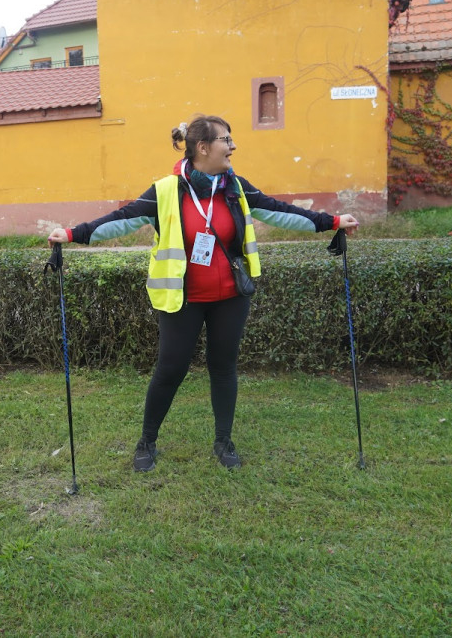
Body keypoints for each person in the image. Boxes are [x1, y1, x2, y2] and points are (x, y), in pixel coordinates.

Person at [48, 114, 359, 472]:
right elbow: (123, 218)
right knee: (170, 369)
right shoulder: (166, 189)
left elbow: (279, 211)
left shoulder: (236, 186)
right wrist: (72, 234)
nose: (233, 146)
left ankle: (224, 441)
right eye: (226, 139)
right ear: (202, 148)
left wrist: (333, 221)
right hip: (183, 300)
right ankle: (147, 441)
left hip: (231, 297)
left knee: (223, 368)